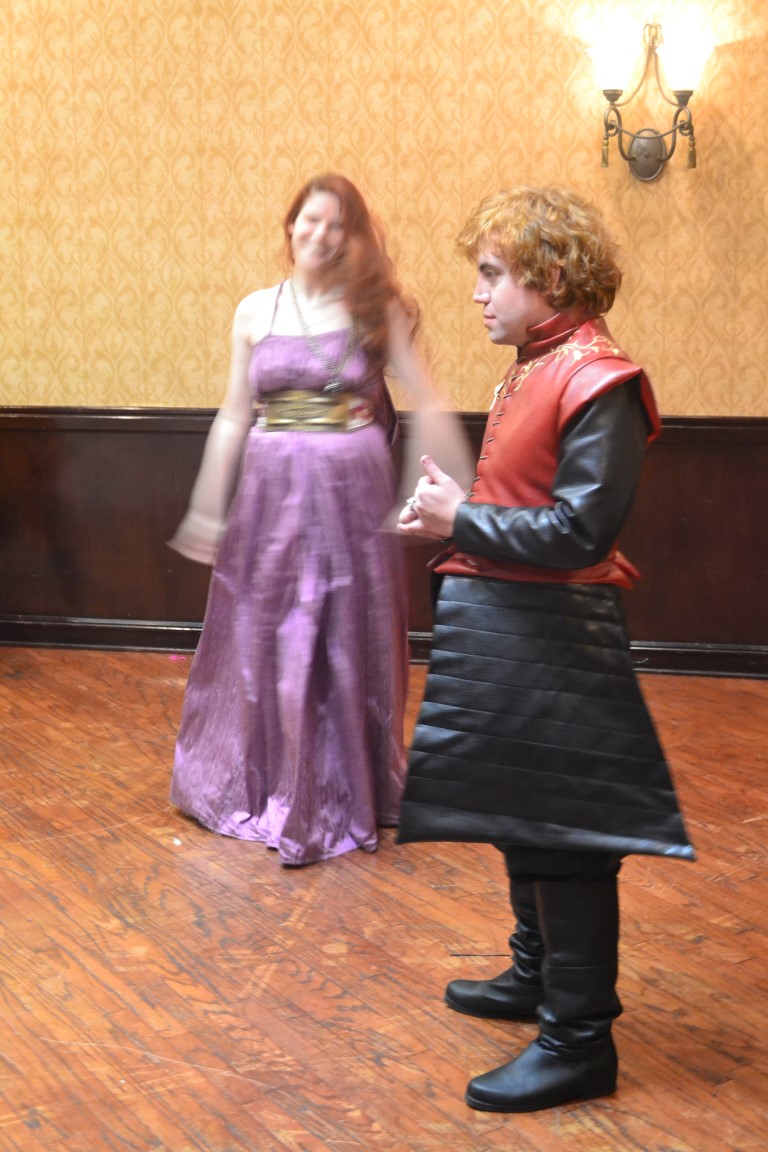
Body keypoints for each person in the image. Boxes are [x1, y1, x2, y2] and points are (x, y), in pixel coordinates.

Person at [396, 185, 694, 1113]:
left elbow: (580, 534)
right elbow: (529, 505)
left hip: (559, 640)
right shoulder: (537, 363)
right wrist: (453, 515)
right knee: (521, 815)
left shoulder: (600, 377)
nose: (477, 292)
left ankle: (578, 1042)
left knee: (566, 838)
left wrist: (460, 518)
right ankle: (535, 975)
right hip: (512, 631)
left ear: (551, 275)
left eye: (493, 274)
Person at [169, 173, 449, 867]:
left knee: (346, 631)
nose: (320, 234)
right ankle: (267, 779)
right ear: (290, 225)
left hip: (353, 490)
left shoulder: (374, 309)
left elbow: (427, 399)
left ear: (352, 237)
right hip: (268, 494)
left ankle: (343, 785)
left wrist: (434, 493)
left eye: (336, 224)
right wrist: (205, 505)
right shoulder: (254, 310)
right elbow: (233, 413)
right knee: (266, 631)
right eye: (310, 219)